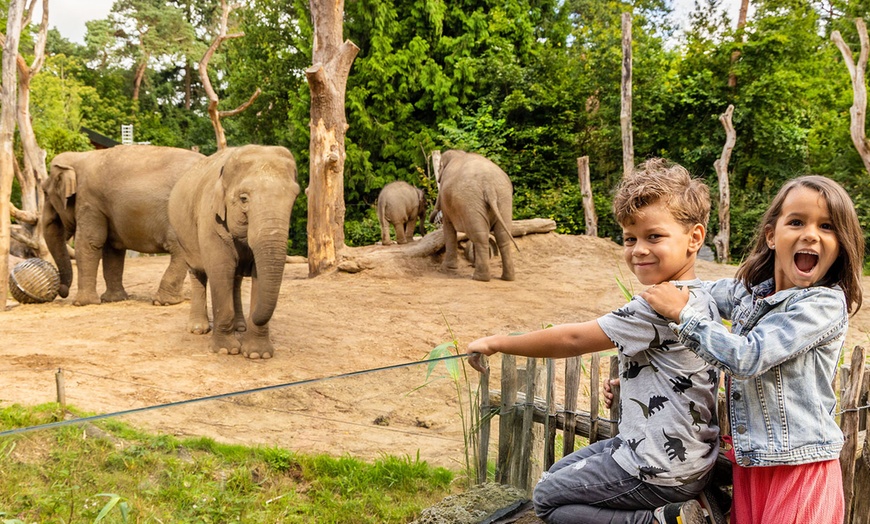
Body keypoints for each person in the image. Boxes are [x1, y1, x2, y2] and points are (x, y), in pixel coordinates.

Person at [467, 158, 722, 524]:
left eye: (654, 236)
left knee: (546, 499)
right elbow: (684, 367)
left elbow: (572, 339)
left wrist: (497, 342)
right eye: (630, 238)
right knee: (556, 474)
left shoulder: (656, 306)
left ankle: (660, 521)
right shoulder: (702, 297)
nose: (638, 249)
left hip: (658, 467)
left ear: (694, 238)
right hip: (686, 461)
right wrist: (633, 384)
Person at [639, 175, 864, 524]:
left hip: (801, 469)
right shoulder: (748, 293)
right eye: (796, 222)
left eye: (827, 226)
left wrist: (682, 313)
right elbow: (693, 291)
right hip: (752, 468)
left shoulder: (822, 304)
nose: (810, 233)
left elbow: (747, 356)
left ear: (840, 244)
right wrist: (640, 377)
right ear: (772, 235)